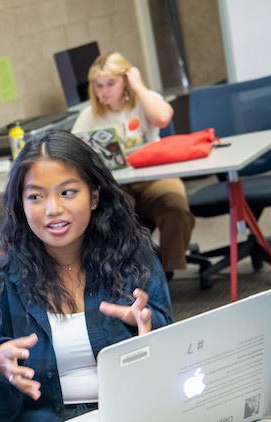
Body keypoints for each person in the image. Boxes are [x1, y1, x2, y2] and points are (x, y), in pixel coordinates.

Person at [0, 129, 173, 422]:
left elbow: (175, 356)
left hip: (130, 418)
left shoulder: (133, 256)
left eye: (68, 192)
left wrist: (148, 327)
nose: (53, 210)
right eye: (35, 197)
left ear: (94, 197)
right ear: (20, 204)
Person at [72, 51, 195, 278]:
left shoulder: (144, 100)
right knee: (114, 215)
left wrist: (138, 86)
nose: (104, 91)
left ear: (125, 81)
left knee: (175, 206)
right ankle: (130, 274)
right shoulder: (89, 115)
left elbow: (162, 119)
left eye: (110, 83)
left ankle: (166, 271)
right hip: (116, 185)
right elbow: (73, 150)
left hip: (153, 177)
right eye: (98, 85)